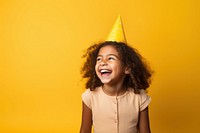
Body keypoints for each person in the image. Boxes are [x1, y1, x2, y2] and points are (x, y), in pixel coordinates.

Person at [80, 16, 153, 133]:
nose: (103, 62)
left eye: (110, 58)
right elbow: (84, 130)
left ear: (127, 68)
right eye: (99, 59)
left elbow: (145, 131)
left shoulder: (139, 98)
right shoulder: (90, 96)